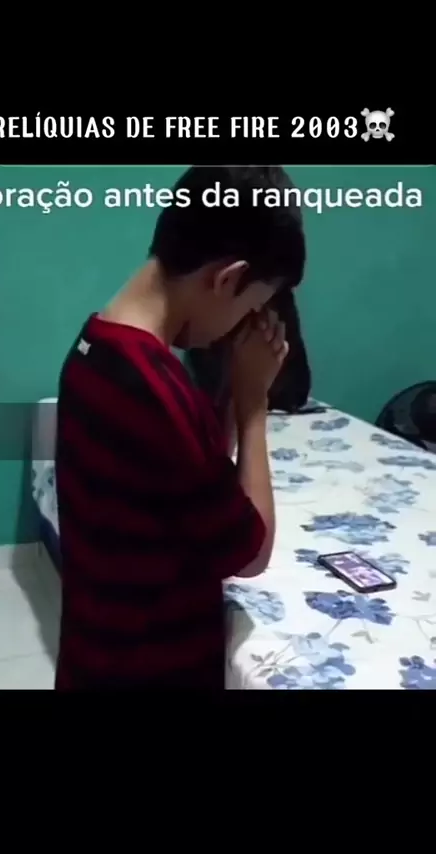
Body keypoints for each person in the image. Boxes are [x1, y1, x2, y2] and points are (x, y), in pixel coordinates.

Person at [54, 166, 306, 690]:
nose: (242, 322)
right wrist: (253, 404)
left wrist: (228, 389)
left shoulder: (95, 345)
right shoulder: (154, 392)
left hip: (95, 655)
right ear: (228, 279)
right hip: (152, 671)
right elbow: (251, 552)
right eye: (251, 305)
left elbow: (192, 476)